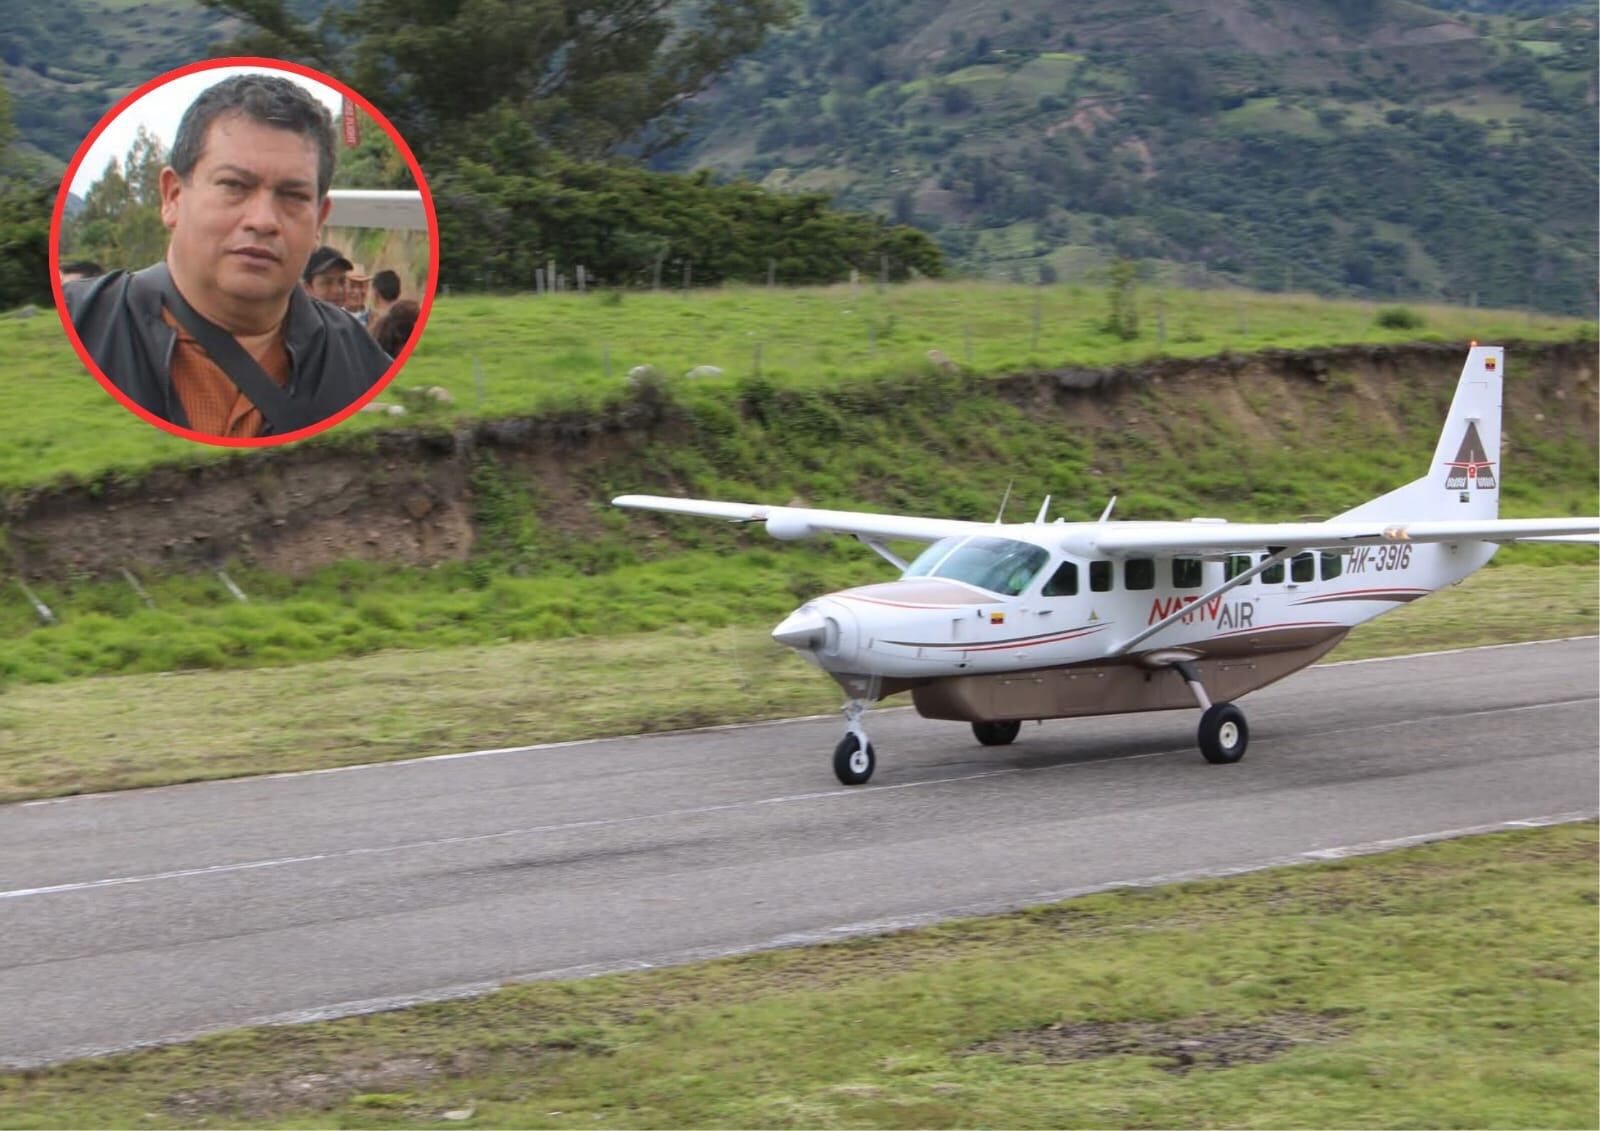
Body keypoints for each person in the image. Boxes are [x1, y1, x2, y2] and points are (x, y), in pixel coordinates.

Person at [64, 73, 393, 439]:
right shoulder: (80, 324)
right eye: (234, 186)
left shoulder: (360, 364)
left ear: (319, 220)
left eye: (293, 195)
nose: (263, 221)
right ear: (173, 197)